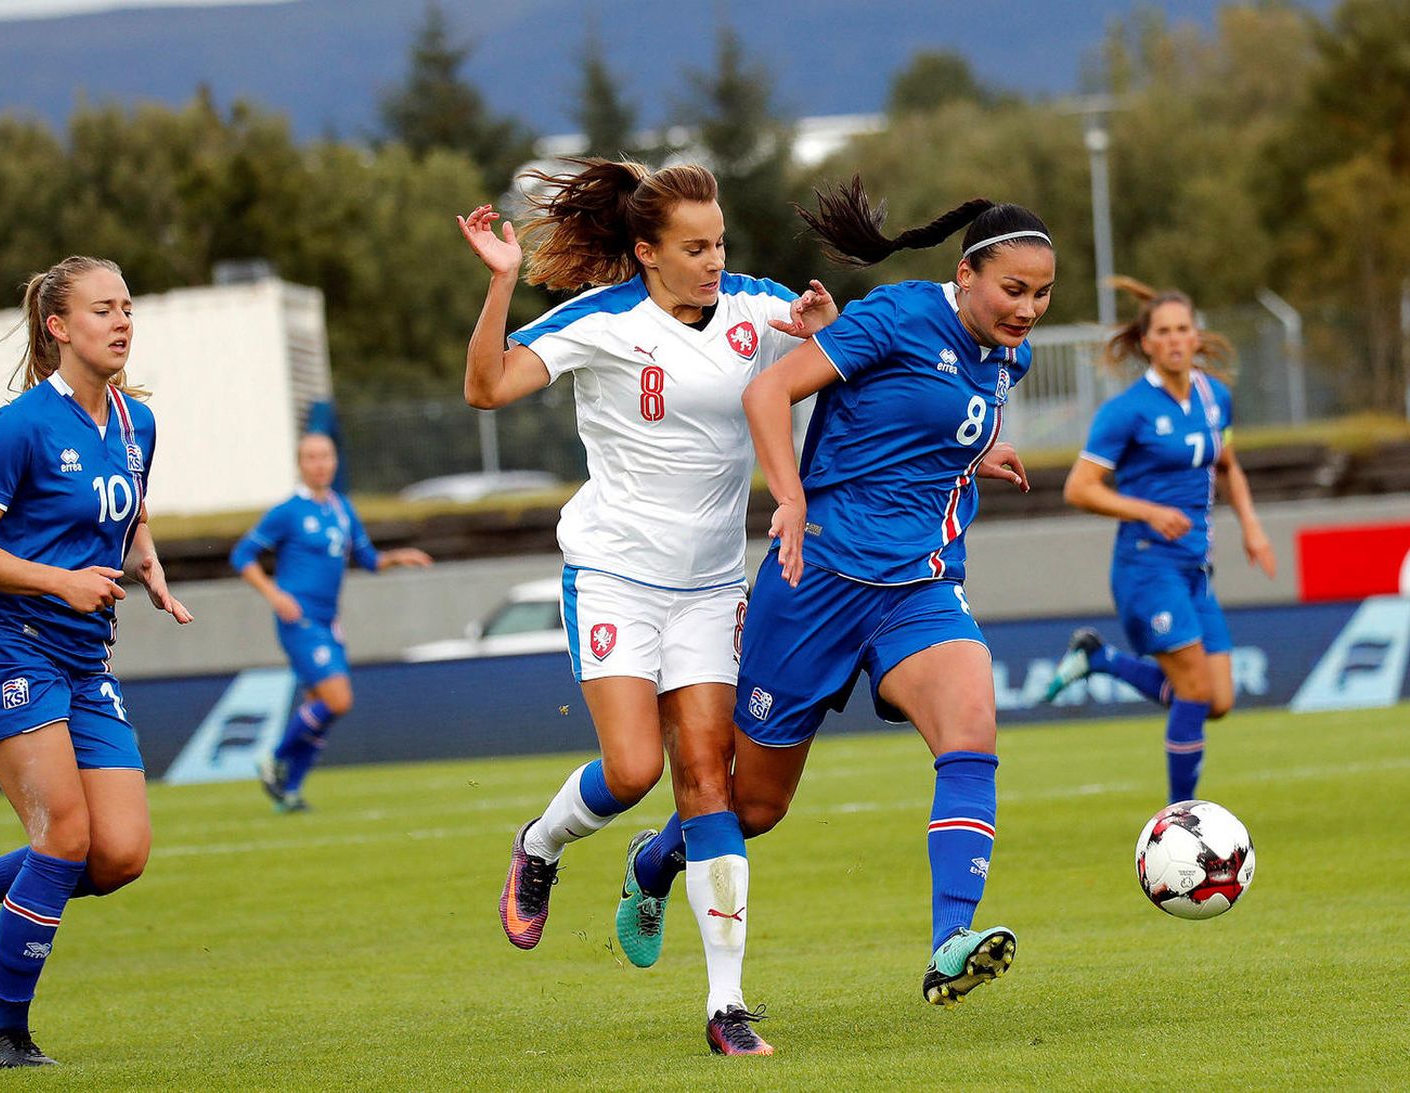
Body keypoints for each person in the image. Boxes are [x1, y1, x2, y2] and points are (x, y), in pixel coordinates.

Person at [620, 179, 1047, 1014]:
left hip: (919, 587)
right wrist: (789, 496)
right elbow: (766, 392)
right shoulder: (894, 316)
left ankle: (949, 940)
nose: (1027, 309)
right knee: (755, 805)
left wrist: (977, 456)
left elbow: (937, 423)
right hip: (812, 584)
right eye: (1013, 289)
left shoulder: (1009, 354)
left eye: (1041, 295)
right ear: (966, 276)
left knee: (972, 731)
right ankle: (654, 861)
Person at [456, 156, 835, 1056]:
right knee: (630, 772)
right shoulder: (602, 320)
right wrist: (503, 284)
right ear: (645, 252)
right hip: (616, 573)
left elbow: (852, 365)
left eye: (721, 243)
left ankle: (726, 1005)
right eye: (695, 247)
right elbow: (487, 387)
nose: (716, 260)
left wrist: (828, 333)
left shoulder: (757, 306)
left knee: (706, 778)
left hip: (710, 585)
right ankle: (541, 846)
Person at [0, 256, 193, 1069]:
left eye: (129, 308)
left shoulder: (137, 422)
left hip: (84, 661)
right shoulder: (24, 425)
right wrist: (58, 579)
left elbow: (127, 504)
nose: (122, 321)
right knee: (64, 833)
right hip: (9, 649)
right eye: (103, 309)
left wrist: (146, 559)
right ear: (59, 327)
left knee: (119, 855)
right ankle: (1, 1032)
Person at [1042, 277, 1276, 802]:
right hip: (1148, 568)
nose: (1174, 339)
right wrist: (1148, 510)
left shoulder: (1216, 398)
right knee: (1194, 691)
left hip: (1196, 568)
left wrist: (1253, 528)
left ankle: (1099, 660)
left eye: (1183, 329)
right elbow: (1079, 488)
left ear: (1197, 336)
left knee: (1218, 700)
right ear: (1146, 342)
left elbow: (1229, 465)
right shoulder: (1127, 411)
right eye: (1163, 331)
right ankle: (1179, 825)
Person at [231, 431, 432, 812]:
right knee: (338, 699)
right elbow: (242, 556)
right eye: (311, 457)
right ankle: (272, 759)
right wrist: (275, 595)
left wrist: (398, 557)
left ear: (334, 461)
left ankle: (289, 792)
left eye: (325, 456)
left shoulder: (342, 509)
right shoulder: (288, 511)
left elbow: (368, 559)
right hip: (299, 619)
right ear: (300, 464)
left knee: (318, 708)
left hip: (327, 621)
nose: (319, 463)